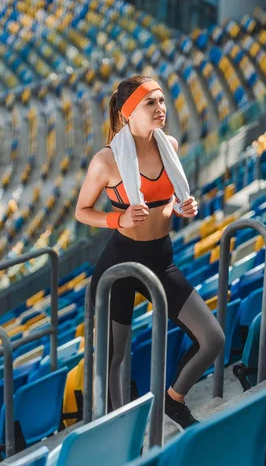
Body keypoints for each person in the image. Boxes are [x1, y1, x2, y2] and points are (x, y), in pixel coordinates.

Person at [75, 75, 225, 430]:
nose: (161, 108)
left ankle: (173, 401)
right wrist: (118, 217)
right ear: (129, 113)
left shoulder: (168, 144)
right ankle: (121, 430)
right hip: (120, 264)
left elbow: (165, 200)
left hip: (161, 259)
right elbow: (82, 211)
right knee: (115, 357)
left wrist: (180, 207)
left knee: (212, 338)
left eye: (161, 101)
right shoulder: (106, 160)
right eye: (151, 103)